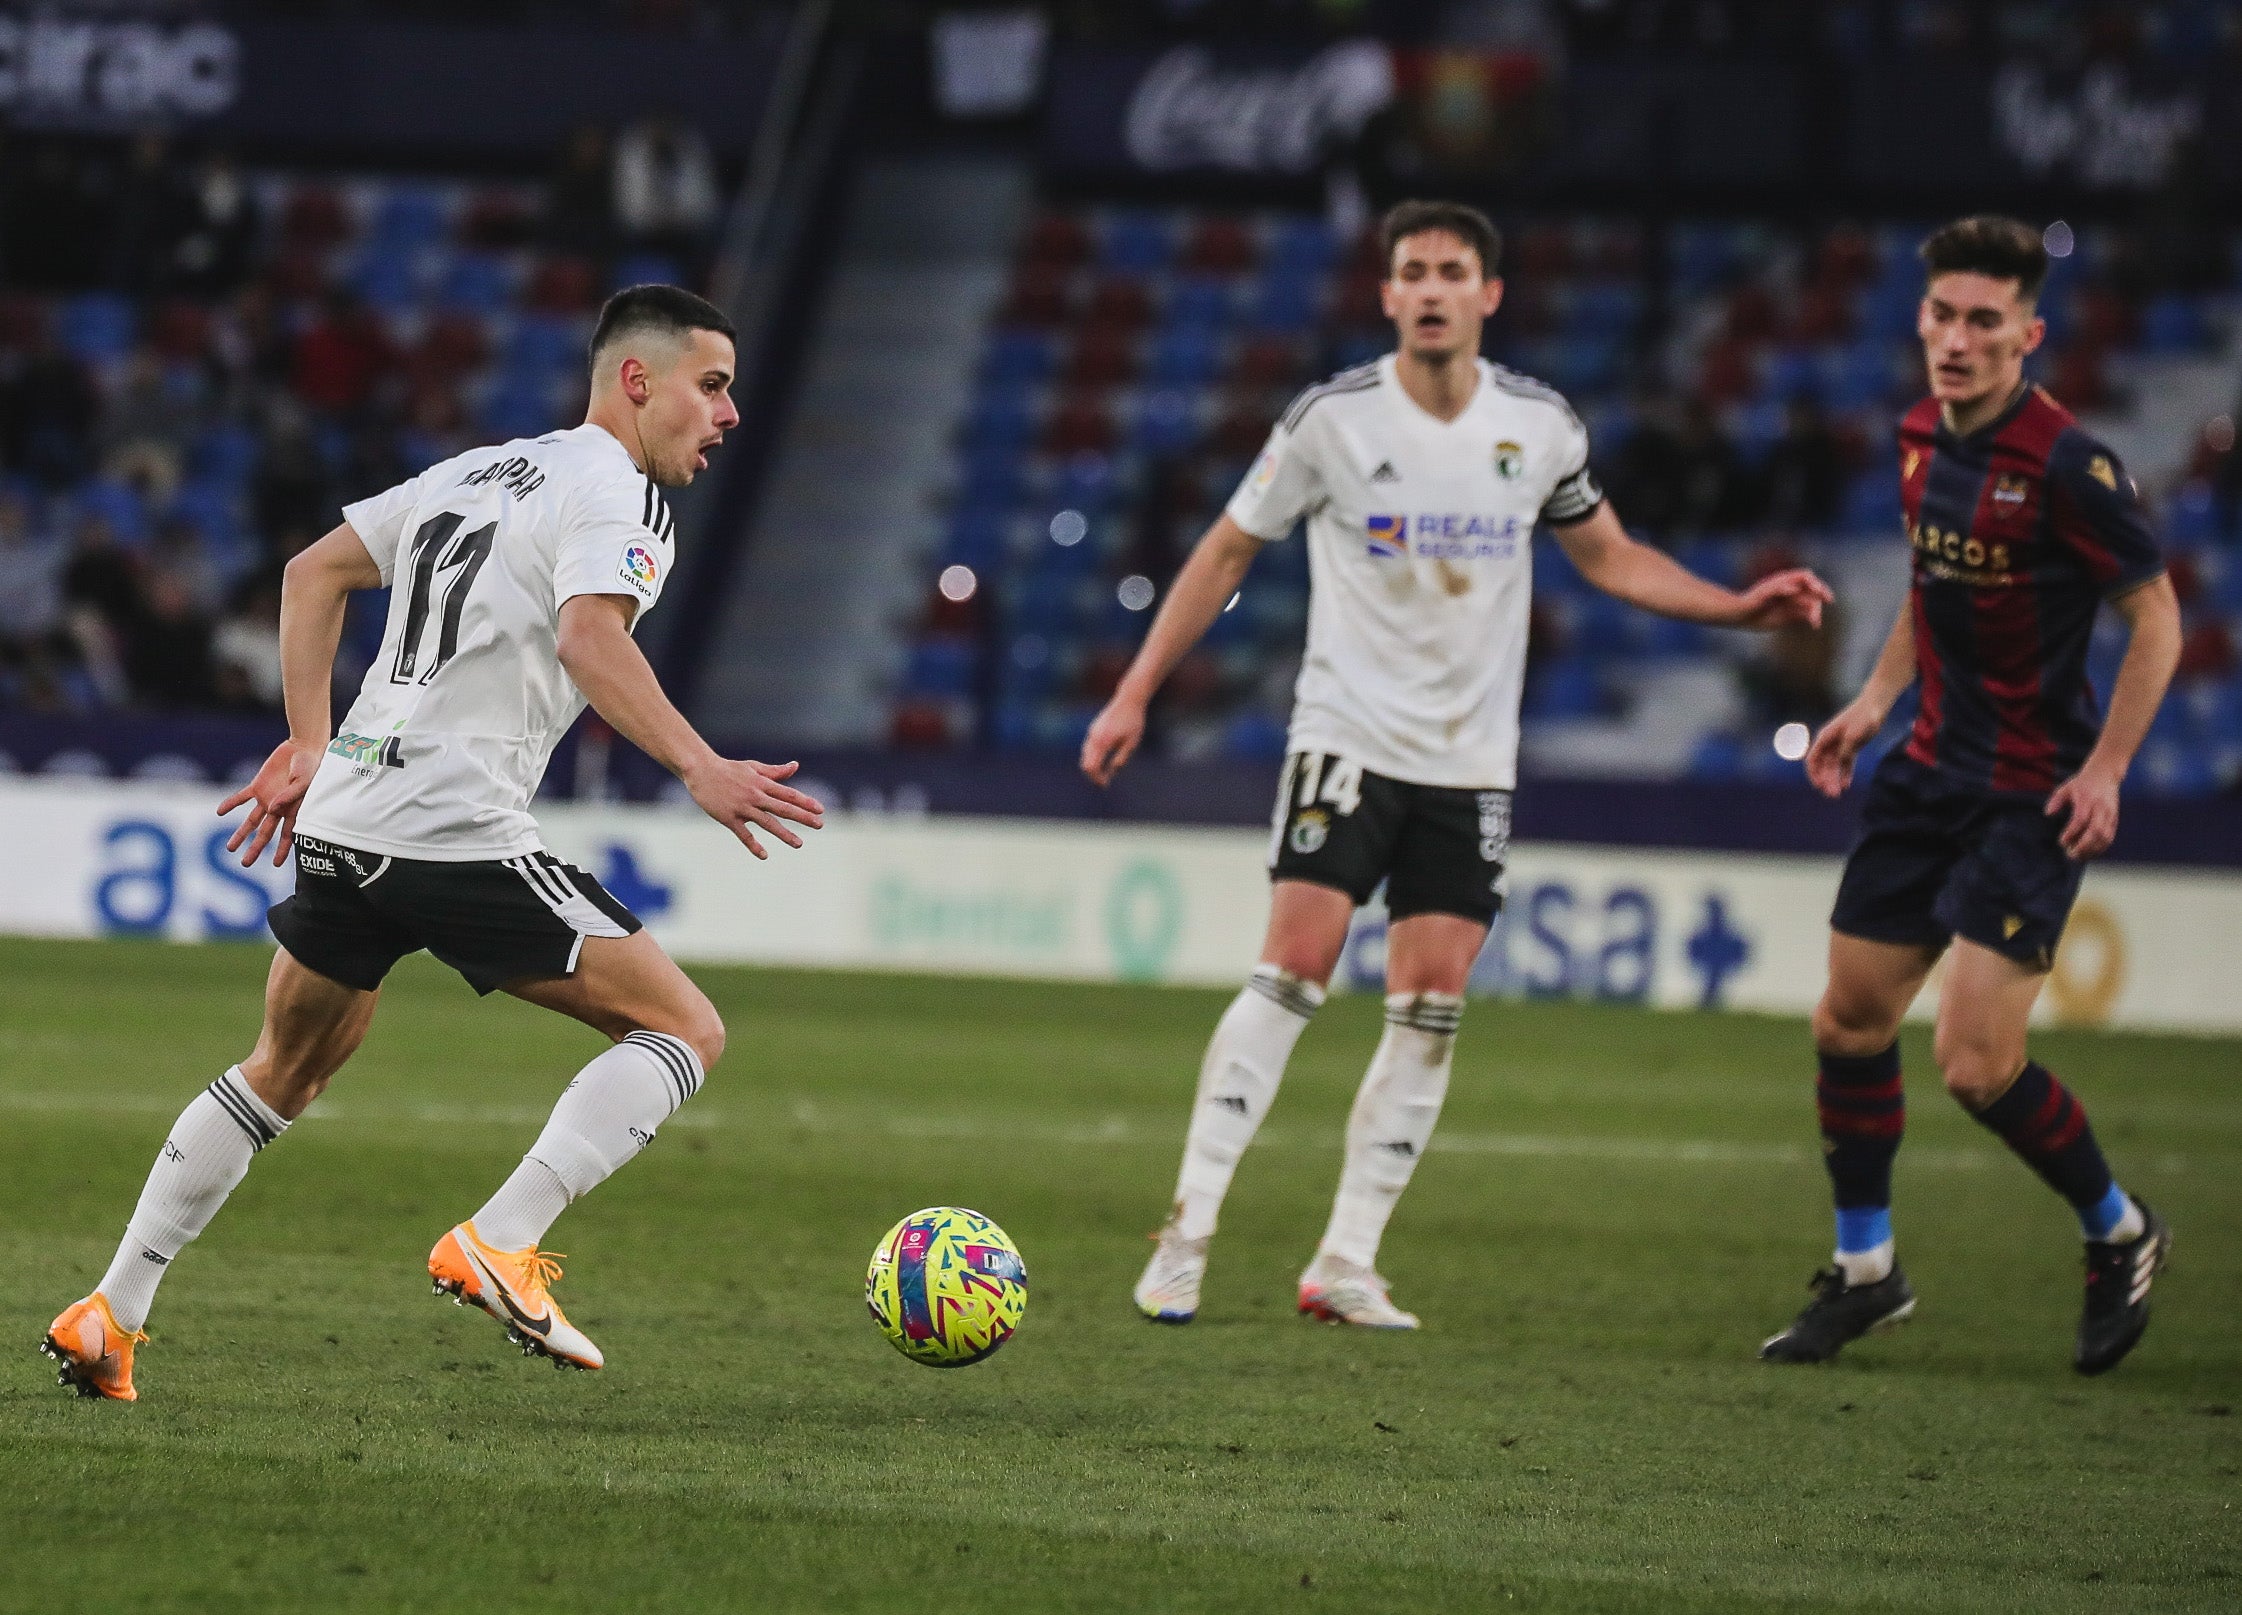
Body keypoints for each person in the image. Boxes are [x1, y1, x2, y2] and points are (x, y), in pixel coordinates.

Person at [42, 286, 824, 1401]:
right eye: (713, 386)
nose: (728, 414)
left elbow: (310, 572)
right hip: (451, 829)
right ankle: (503, 1238)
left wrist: (311, 742)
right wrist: (701, 764)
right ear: (637, 381)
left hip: (350, 817)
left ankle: (109, 1313)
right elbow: (589, 639)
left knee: (286, 1070)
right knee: (682, 1027)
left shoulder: (482, 469)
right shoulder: (623, 497)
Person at [1083, 200, 1832, 1329]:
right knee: (1295, 966)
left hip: (1470, 762)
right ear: (1387, 295)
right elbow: (1228, 546)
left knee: (1431, 1001)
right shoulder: (1331, 420)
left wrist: (1736, 607)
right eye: (1412, 272)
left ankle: (1344, 1260)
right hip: (1346, 737)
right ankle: (1185, 1233)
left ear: (1490, 294)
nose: (1431, 289)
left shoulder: (1539, 428)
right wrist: (1136, 689)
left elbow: (1610, 555)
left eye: (1452, 272)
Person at [1759, 217, 2183, 1375]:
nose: (1955, 338)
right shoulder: (1915, 437)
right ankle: (1865, 1272)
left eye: (1982, 320)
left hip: (2029, 794)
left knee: (1974, 1064)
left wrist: (2104, 771)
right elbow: (1929, 578)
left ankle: (2120, 1229)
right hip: (1927, 771)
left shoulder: (2069, 468)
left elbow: (2156, 620)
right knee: (1846, 1019)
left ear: (2027, 335)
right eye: (1941, 315)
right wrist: (1872, 701)